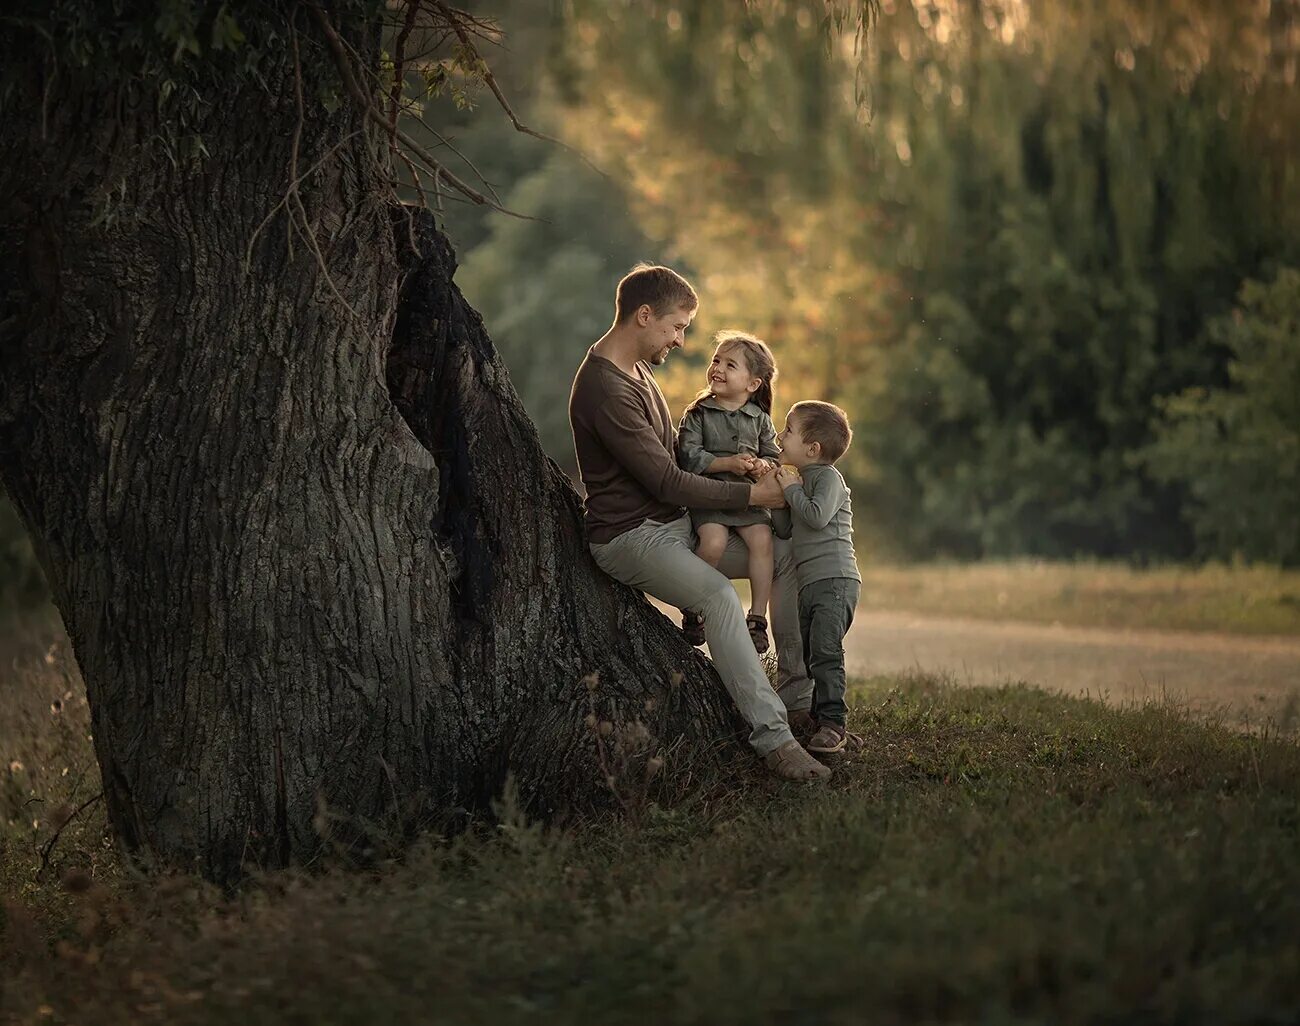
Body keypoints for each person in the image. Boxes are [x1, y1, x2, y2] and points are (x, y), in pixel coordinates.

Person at [569, 263, 829, 781]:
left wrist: (751, 467)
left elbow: (678, 467)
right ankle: (774, 741)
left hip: (674, 524)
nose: (681, 340)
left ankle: (801, 700)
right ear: (644, 316)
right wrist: (753, 492)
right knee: (716, 596)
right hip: (630, 536)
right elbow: (667, 481)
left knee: (787, 559)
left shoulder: (636, 370)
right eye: (676, 327)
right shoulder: (606, 389)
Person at [676, 332, 782, 654]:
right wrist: (727, 463)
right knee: (713, 542)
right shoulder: (698, 414)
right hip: (709, 498)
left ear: (753, 384)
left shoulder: (760, 419)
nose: (717, 368)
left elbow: (773, 455)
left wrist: (760, 466)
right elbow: (689, 457)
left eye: (730, 364)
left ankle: (757, 619)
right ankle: (693, 605)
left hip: (750, 501)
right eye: (716, 360)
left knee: (763, 542)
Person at [772, 400, 862, 754]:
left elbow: (817, 516)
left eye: (788, 431)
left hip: (835, 579)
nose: (781, 436)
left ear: (812, 449)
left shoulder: (827, 478)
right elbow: (786, 528)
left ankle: (833, 724)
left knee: (825, 652)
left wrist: (791, 488)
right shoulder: (803, 479)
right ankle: (819, 721)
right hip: (810, 583)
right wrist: (774, 493)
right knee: (811, 655)